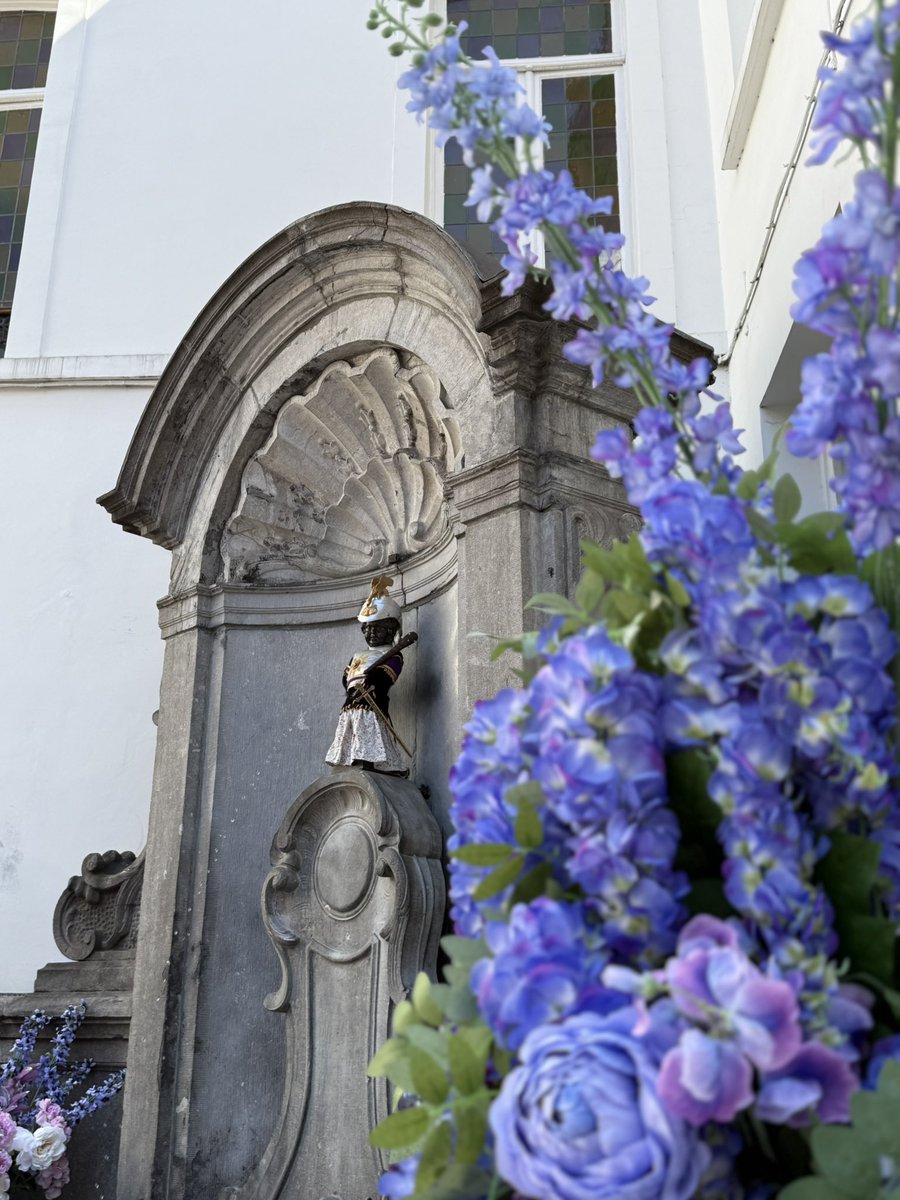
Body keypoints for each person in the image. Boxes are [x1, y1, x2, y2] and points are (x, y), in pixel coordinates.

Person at [324, 576, 408, 774]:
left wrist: (373, 681)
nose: (371, 633)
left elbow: (386, 677)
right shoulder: (358, 655)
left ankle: (373, 763)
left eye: (376, 628)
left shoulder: (393, 655)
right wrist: (352, 686)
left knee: (371, 731)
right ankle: (352, 760)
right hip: (353, 701)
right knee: (350, 731)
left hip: (373, 701)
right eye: (367, 628)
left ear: (390, 630)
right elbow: (347, 677)